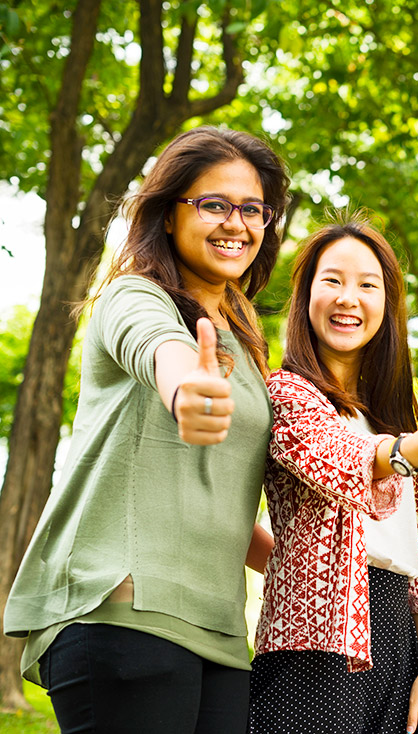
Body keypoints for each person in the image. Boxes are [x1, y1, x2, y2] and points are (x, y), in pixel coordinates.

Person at [3, 126, 289, 732]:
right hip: (126, 613)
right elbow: (159, 349)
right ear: (166, 215)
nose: (235, 223)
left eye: (253, 208)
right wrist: (187, 387)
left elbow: (221, 506)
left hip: (220, 630)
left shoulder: (243, 342)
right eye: (214, 204)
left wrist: (321, 564)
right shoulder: (133, 296)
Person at [248, 212, 418, 734]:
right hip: (312, 642)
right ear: (305, 295)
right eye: (331, 280)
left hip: (399, 638)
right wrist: (408, 452)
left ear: (387, 304)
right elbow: (334, 460)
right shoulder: (287, 394)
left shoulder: (394, 419)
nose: (348, 298)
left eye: (367, 285)